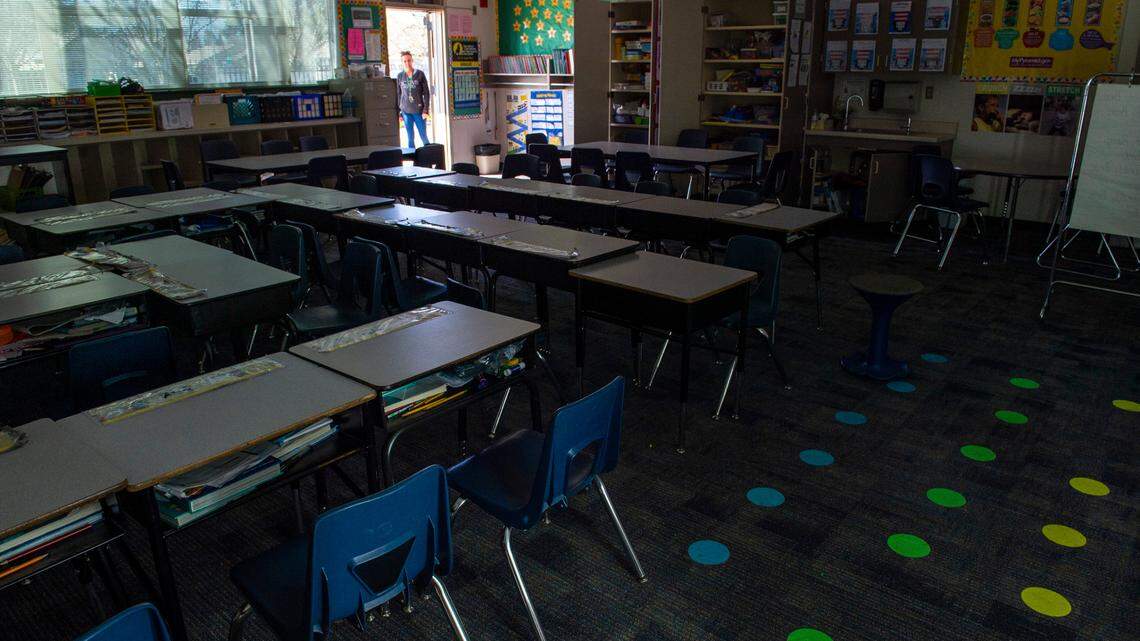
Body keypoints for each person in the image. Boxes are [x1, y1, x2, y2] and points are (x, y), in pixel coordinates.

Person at [396, 51, 430, 147]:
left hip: (419, 111)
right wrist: (400, 111)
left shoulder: (420, 74)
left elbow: (426, 93)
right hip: (406, 111)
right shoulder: (400, 76)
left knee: (423, 136)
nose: (407, 63)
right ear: (402, 62)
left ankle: (428, 159)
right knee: (410, 137)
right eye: (405, 61)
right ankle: (413, 160)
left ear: (412, 61)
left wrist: (426, 109)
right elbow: (399, 94)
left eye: (409, 60)